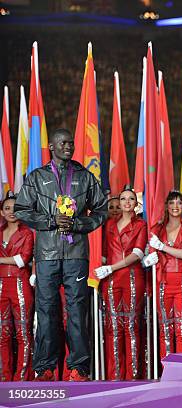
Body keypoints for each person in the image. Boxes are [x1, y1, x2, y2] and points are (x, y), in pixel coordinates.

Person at [14, 128, 107, 381]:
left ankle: (78, 368)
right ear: (51, 147)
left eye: (71, 143)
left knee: (77, 309)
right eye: (63, 143)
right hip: (46, 254)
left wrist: (78, 224)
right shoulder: (37, 177)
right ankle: (45, 368)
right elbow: (22, 209)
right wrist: (50, 221)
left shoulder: (84, 176)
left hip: (76, 253)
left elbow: (101, 210)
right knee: (46, 309)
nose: (69, 146)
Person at [95, 186, 147, 380]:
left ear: (136, 203)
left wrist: (111, 267)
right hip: (111, 280)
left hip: (132, 278)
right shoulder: (108, 225)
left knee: (131, 326)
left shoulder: (141, 225)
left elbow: (137, 253)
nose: (126, 202)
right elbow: (103, 253)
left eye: (130, 199)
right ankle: (114, 376)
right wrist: (98, 267)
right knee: (113, 326)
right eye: (123, 199)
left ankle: (132, 376)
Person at [144, 191, 182, 360]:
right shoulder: (157, 229)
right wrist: (147, 260)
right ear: (166, 206)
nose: (175, 206)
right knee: (165, 327)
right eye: (172, 202)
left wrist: (162, 247)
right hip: (162, 281)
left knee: (181, 326)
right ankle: (167, 368)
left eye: (179, 202)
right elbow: (147, 255)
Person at [0, 191, 34, 381]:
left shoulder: (27, 232)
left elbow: (23, 259)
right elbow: (15, 259)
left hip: (20, 285)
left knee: (23, 332)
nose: (12, 212)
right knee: (2, 334)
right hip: (1, 286)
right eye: (7, 208)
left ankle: (22, 377)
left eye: (15, 208)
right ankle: (4, 377)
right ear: (2, 212)